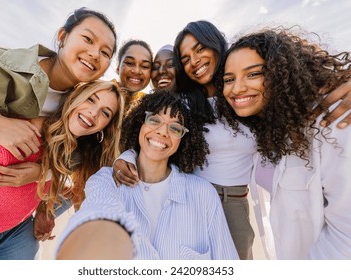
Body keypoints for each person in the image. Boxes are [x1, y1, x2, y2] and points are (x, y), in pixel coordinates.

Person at [113, 20, 351, 260]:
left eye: (200, 49)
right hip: (189, 199)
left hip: (235, 204)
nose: (194, 61)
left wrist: (337, 84)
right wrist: (126, 157)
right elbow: (154, 136)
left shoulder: (247, 101)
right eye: (184, 58)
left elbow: (296, 92)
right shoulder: (185, 103)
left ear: (216, 45)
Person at [55, 91, 239, 260]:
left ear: (183, 140)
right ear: (139, 124)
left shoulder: (203, 193)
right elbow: (97, 211)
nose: (162, 131)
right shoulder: (106, 181)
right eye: (154, 120)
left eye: (175, 128)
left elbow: (226, 259)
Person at [219, 27, 351, 259]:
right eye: (229, 79)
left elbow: (346, 237)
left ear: (282, 72)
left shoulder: (334, 122)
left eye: (253, 74)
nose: (237, 88)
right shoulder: (269, 128)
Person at [0, 80, 125, 259]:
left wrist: (45, 207)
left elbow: (75, 188)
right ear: (74, 98)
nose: (94, 113)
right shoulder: (24, 137)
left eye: (105, 113)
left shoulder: (74, 150)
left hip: (16, 233)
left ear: (105, 127)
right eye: (90, 100)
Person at [0, 7, 117, 187]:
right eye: (88, 39)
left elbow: (79, 152)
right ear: (62, 37)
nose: (95, 54)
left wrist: (44, 171)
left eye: (105, 53)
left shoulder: (76, 107)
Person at [115, 39, 153, 111]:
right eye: (129, 63)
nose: (137, 71)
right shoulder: (98, 92)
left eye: (145, 66)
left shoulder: (149, 106)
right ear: (118, 67)